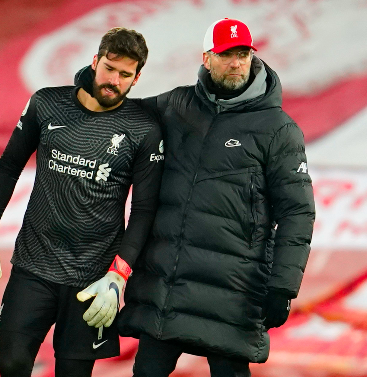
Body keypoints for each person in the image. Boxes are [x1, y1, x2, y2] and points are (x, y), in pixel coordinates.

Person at [73, 18, 316, 377]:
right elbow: (120, 113)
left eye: (243, 54)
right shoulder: (176, 105)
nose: (236, 63)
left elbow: (297, 212)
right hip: (167, 289)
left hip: (232, 293)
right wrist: (95, 80)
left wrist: (283, 286)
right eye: (226, 54)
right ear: (206, 58)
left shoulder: (279, 129)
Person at [0, 28, 164, 377]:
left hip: (92, 280)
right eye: (109, 68)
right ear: (95, 61)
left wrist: (119, 275)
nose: (113, 80)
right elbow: (9, 165)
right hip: (33, 266)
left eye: (125, 75)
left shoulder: (144, 129)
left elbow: (145, 210)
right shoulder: (46, 102)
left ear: (137, 78)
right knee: (11, 364)